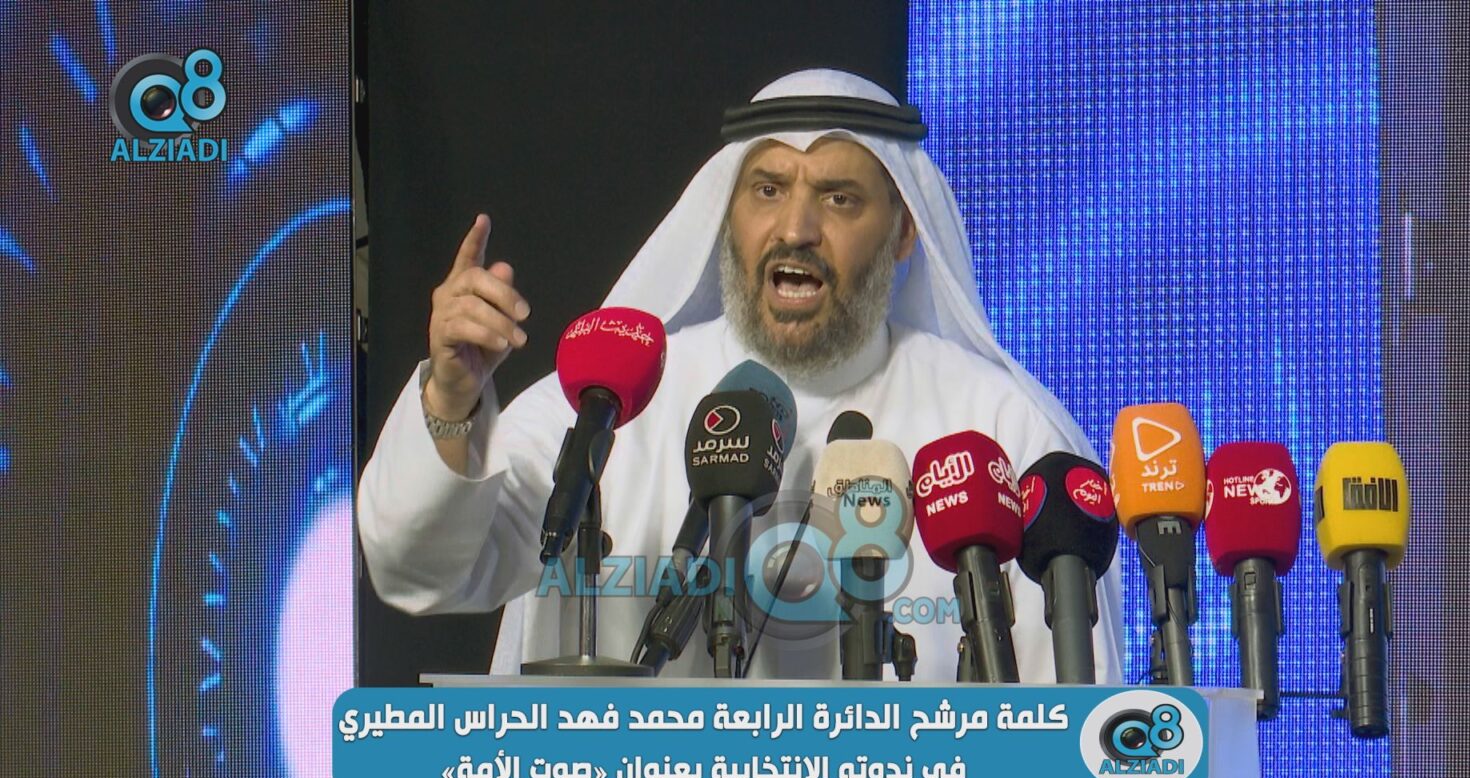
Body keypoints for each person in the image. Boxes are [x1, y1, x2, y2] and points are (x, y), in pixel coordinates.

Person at [358, 69, 1124, 683]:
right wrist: (452, 398)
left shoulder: (998, 427)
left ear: (902, 233)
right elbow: (420, 568)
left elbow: (1073, 718)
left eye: (839, 198)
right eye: (768, 190)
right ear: (729, 219)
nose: (796, 228)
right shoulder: (613, 399)